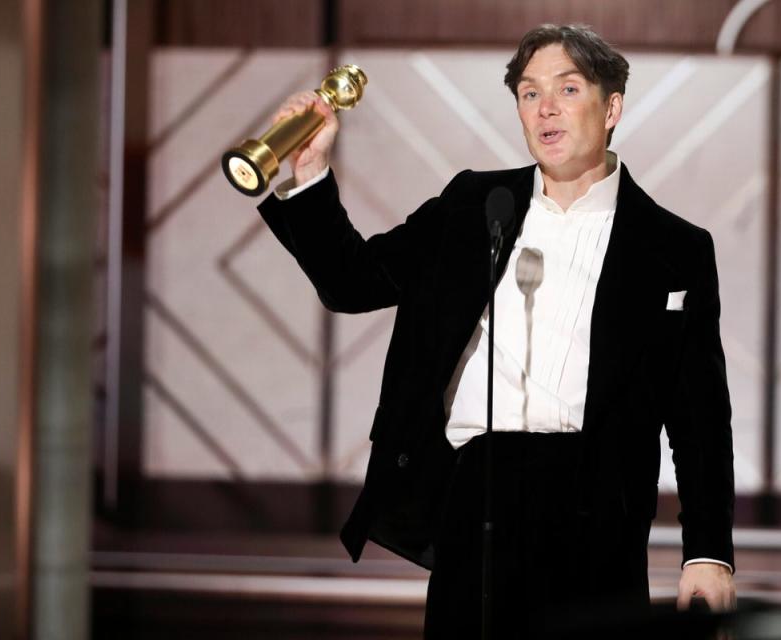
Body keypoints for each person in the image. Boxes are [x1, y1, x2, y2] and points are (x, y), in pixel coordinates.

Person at [258, 23, 736, 638]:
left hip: (598, 510)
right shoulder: (473, 205)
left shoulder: (676, 249)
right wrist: (313, 172)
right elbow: (355, 284)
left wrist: (708, 550)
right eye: (529, 93)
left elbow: (700, 418)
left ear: (611, 106)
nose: (546, 109)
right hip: (477, 492)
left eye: (567, 89)